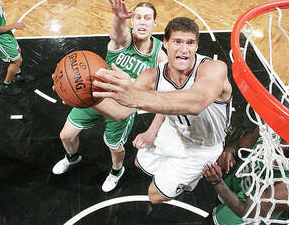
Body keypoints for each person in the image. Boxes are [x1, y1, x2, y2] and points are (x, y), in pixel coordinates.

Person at [91, 17, 233, 203]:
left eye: (190, 43)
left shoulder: (214, 69)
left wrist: (136, 97)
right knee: (138, 162)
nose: (184, 50)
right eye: (177, 42)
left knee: (154, 196)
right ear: (165, 43)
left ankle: (191, 177)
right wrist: (86, 98)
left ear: (197, 46)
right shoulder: (152, 76)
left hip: (203, 148)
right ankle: (174, 173)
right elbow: (120, 112)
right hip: (175, 132)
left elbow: (196, 103)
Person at [52, 0, 167, 192]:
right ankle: (72, 157)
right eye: (137, 17)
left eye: (147, 18)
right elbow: (117, 33)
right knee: (65, 136)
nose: (142, 22)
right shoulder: (123, 40)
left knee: (115, 148)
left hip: (121, 110)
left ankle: (116, 171)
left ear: (155, 23)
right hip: (94, 95)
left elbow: (165, 98)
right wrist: (118, 17)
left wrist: (152, 130)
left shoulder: (160, 57)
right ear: (132, 21)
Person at [200, 127, 289, 225]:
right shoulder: (270, 134)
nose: (286, 141)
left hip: (251, 206)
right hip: (237, 185)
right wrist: (230, 150)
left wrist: (217, 182)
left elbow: (246, 211)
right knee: (217, 203)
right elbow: (241, 143)